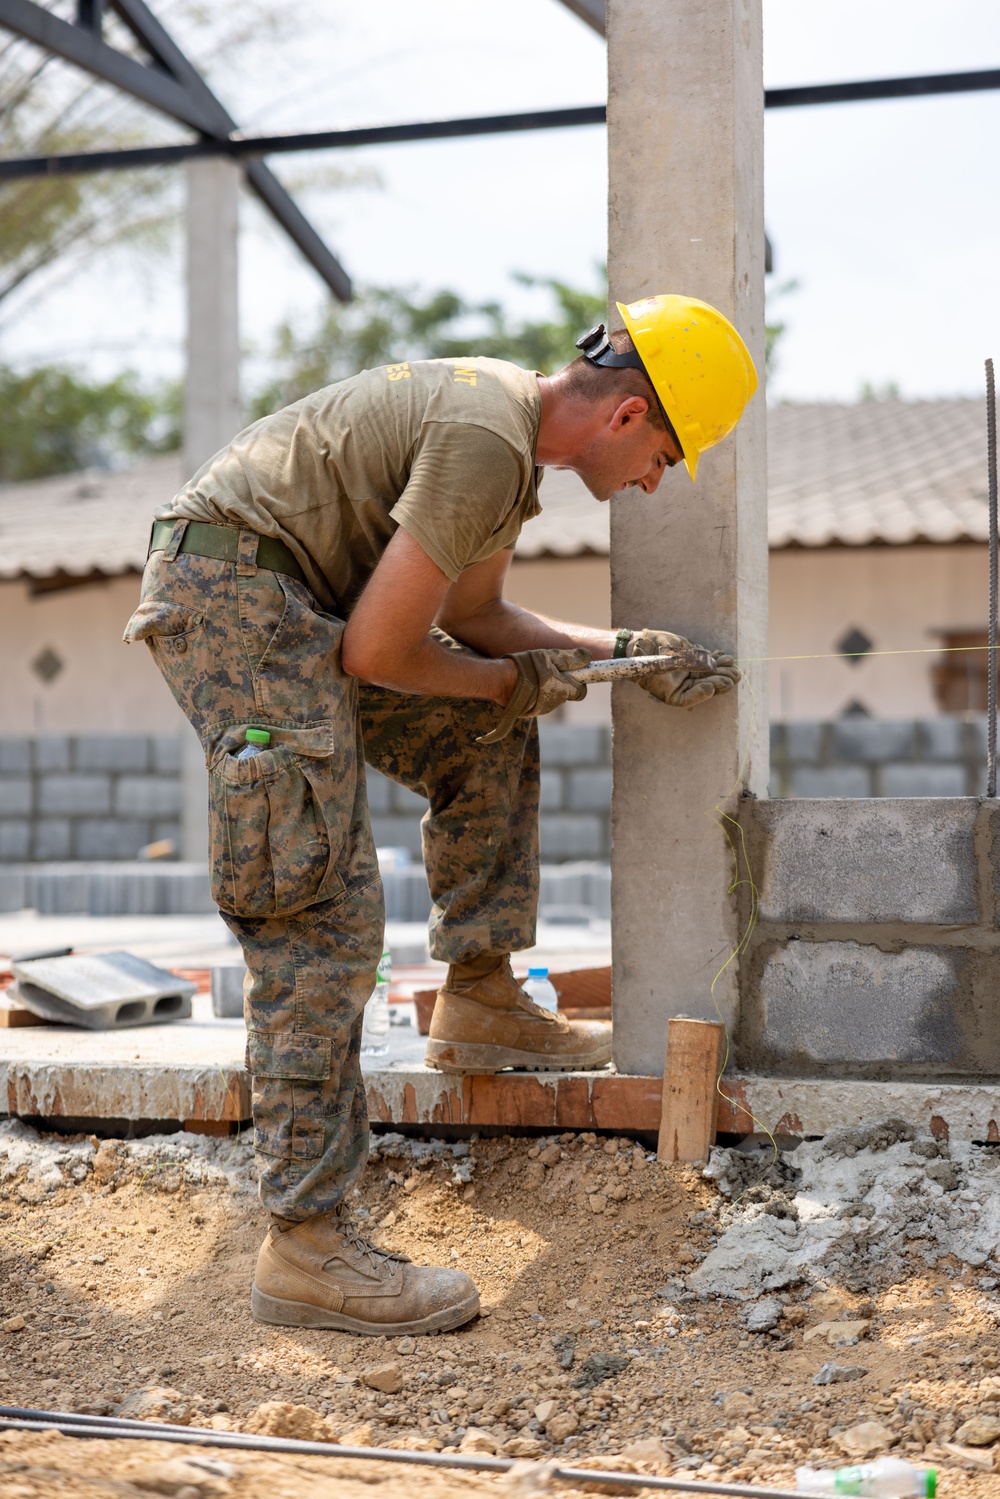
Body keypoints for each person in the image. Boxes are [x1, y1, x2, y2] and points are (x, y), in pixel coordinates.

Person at [125, 292, 757, 1337]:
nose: (650, 481)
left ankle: (480, 994)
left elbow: (470, 621)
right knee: (318, 912)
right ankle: (307, 1246)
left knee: (483, 728)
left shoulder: (502, 441)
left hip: (294, 602)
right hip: (239, 599)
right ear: (626, 415)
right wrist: (512, 680)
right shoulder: (482, 439)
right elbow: (381, 653)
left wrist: (620, 651)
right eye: (662, 457)